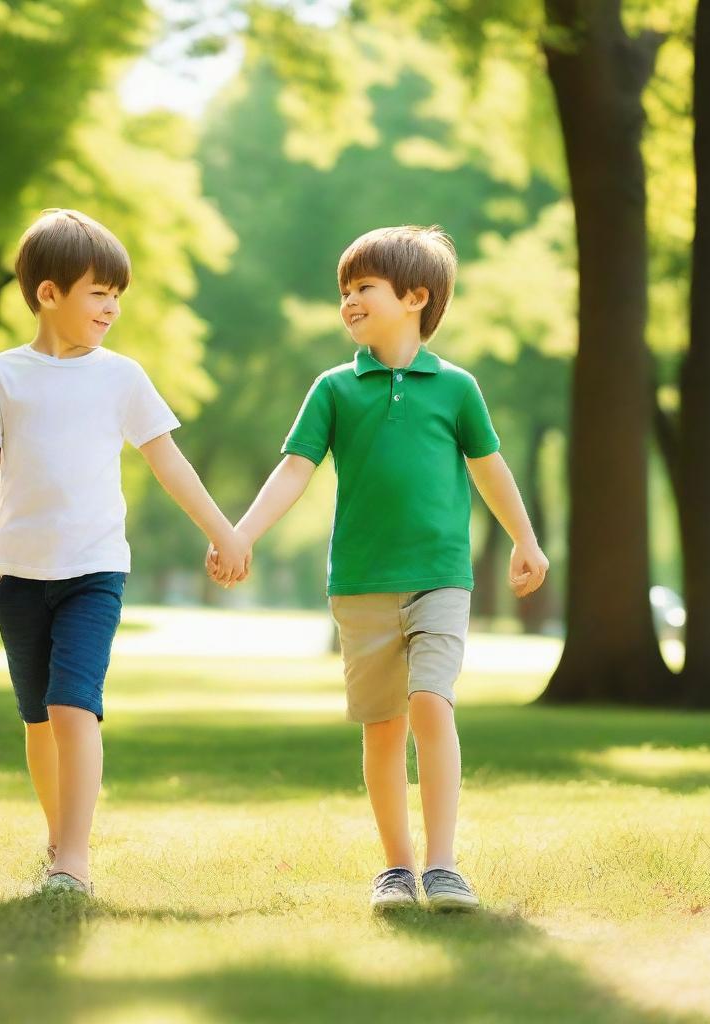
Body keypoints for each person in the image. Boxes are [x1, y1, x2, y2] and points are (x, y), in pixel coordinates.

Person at [208, 225, 548, 911]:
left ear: (416, 296)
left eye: (365, 287)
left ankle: (444, 864)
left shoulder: (456, 389)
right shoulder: (335, 389)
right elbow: (294, 469)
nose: (350, 300)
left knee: (431, 701)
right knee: (383, 726)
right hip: (361, 584)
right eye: (345, 290)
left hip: (440, 578)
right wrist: (240, 532)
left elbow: (491, 470)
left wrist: (527, 540)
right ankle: (397, 867)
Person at [0, 208, 249, 895]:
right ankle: (57, 837)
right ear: (48, 293)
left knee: (72, 705)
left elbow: (168, 460)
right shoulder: (2, 375)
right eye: (98, 292)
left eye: (118, 294)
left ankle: (74, 860)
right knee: (36, 717)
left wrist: (223, 529)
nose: (112, 307)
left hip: (93, 570)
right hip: (18, 575)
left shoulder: (122, 377)